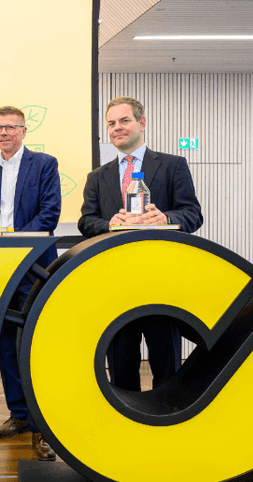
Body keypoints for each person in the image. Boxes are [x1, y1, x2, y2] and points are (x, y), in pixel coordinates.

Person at [78, 96, 203, 391]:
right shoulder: (97, 177)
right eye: (111, 123)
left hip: (161, 280)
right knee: (120, 364)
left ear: (142, 122)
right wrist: (109, 224)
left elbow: (192, 214)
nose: (117, 128)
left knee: (166, 363)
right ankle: (124, 414)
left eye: (125, 120)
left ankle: (169, 413)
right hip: (116, 282)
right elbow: (86, 221)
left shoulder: (172, 165)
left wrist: (166, 218)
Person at [0, 106, 61, 461]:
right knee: (6, 343)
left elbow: (49, 214)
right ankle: (19, 415)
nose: (4, 133)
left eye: (11, 127)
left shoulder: (44, 164)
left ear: (24, 131)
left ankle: (43, 428)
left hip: (34, 266)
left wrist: (12, 244)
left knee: (33, 346)